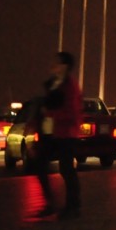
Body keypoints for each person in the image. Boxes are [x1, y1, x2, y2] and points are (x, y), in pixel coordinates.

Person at [35, 51, 83, 219]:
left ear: (65, 66)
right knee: (40, 165)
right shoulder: (53, 84)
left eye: (57, 62)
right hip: (50, 132)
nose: (53, 65)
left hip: (66, 133)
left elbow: (72, 112)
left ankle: (73, 206)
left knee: (67, 169)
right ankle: (51, 203)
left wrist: (50, 114)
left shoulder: (70, 86)